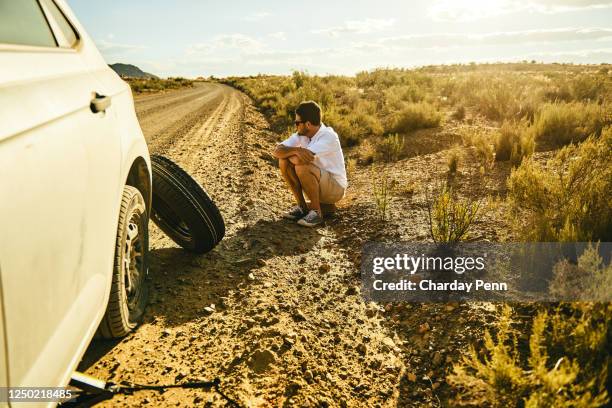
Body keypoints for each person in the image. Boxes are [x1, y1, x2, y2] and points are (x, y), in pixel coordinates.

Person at [272, 101, 347, 227]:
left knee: (302, 166)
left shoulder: (328, 136)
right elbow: (277, 151)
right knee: (283, 161)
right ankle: (303, 207)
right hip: (317, 183)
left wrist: (291, 153)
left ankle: (316, 213)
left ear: (308, 124)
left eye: (297, 123)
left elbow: (300, 161)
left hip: (335, 188)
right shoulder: (302, 135)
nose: (295, 126)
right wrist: (296, 150)